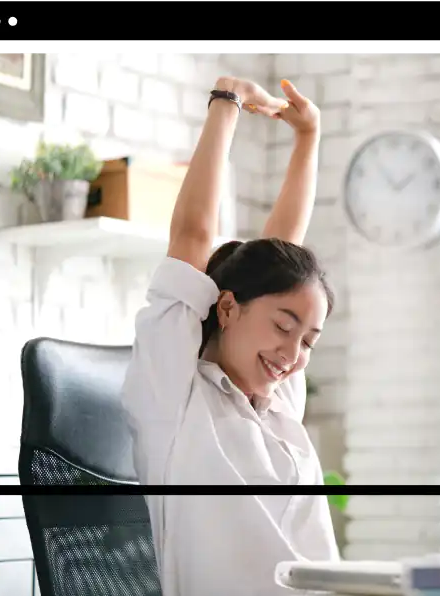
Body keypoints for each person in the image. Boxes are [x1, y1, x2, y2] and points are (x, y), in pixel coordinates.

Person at [120, 76, 339, 596]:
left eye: (308, 341)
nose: (292, 354)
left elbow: (281, 256)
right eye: (284, 328)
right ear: (226, 306)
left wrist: (309, 136)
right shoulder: (175, 396)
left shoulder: (278, 403)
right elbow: (193, 236)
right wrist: (227, 102)